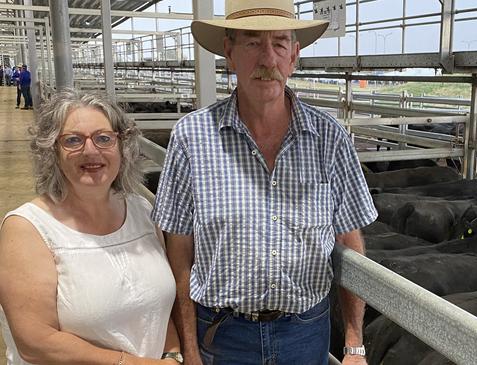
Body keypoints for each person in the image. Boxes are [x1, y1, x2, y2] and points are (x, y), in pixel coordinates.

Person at [152, 1, 378, 364]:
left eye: (279, 44)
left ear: (294, 55)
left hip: (305, 331)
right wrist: (188, 350)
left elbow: (349, 240)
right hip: (222, 334)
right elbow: (178, 252)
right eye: (253, 43)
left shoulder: (330, 138)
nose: (267, 60)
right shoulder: (192, 137)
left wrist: (353, 343)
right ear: (230, 52)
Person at [0, 89, 184, 365]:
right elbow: (35, 342)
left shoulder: (141, 210)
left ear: (122, 146)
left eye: (103, 138)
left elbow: (158, 304)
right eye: (73, 140)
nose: (90, 150)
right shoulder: (27, 228)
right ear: (52, 151)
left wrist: (171, 354)